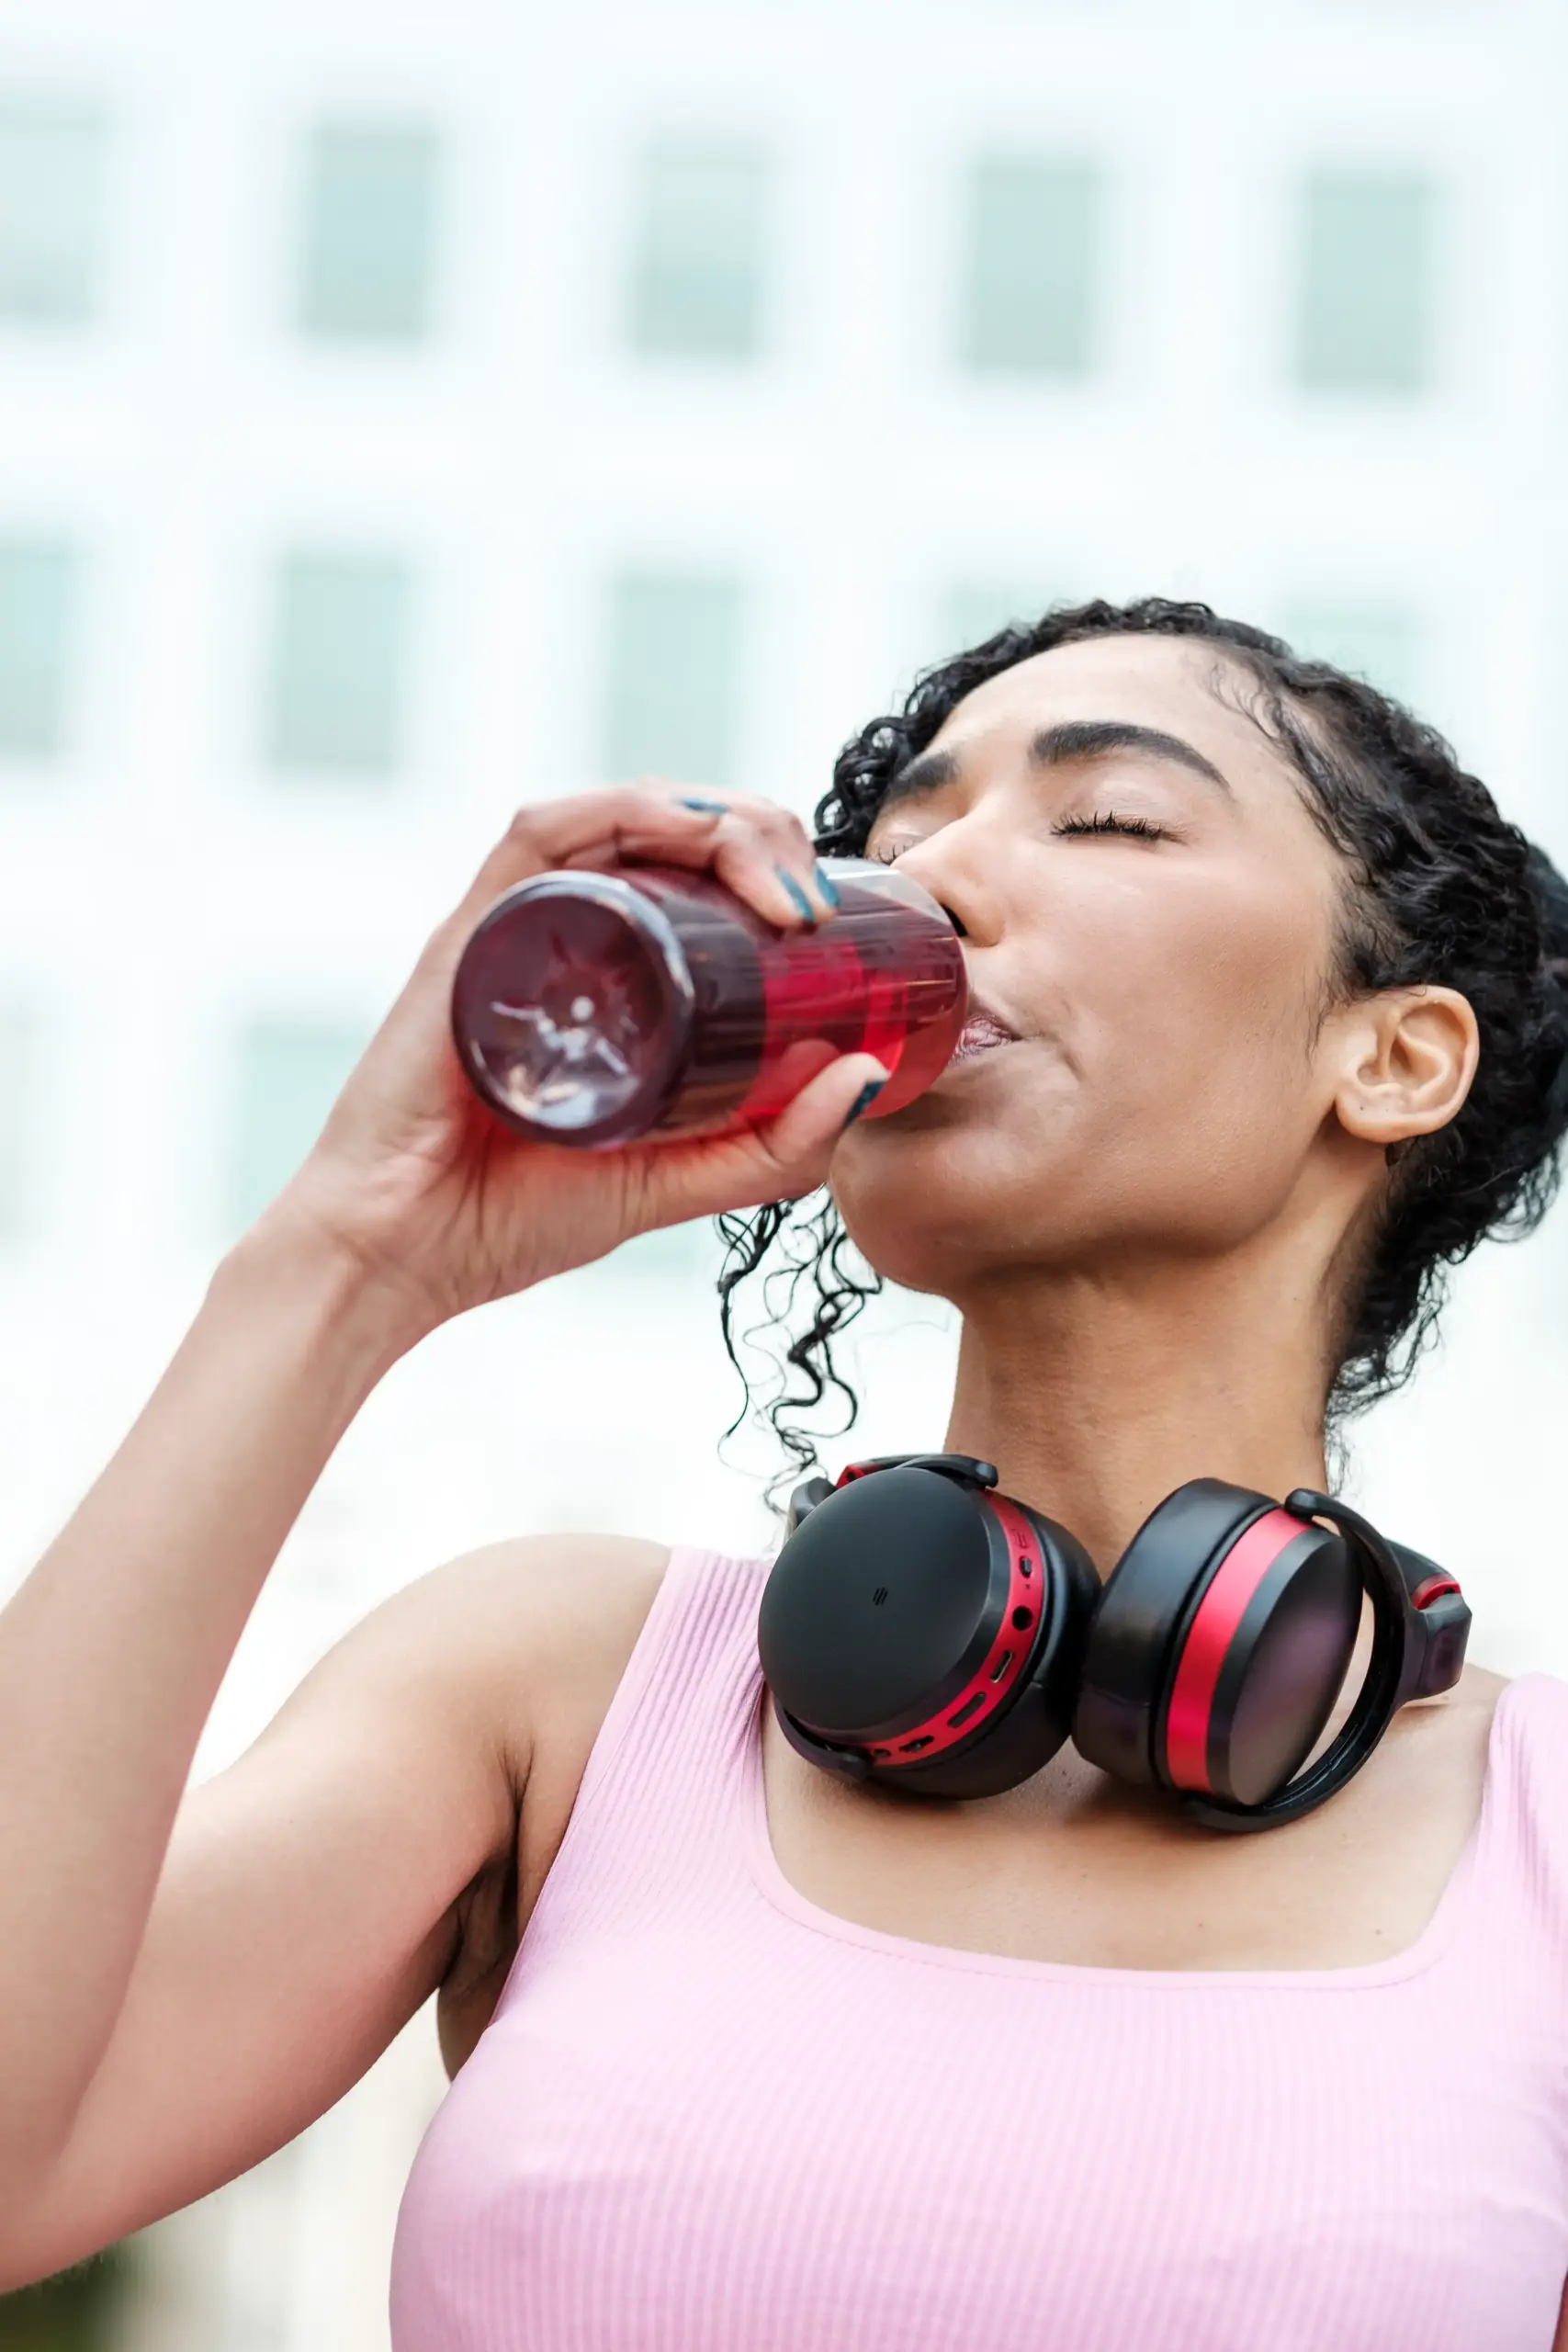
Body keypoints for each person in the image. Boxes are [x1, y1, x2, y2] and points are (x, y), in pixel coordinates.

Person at [2, 597, 1567, 2351]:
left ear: (1394, 1055)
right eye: (902, 830)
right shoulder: (556, 1692)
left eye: (1106, 817)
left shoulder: (1540, 1830)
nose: (938, 875)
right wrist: (345, 1266)